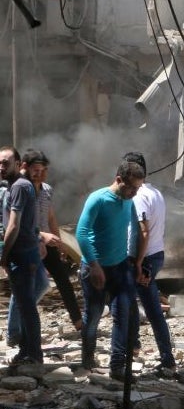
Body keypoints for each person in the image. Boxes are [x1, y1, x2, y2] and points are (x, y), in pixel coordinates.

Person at [76, 160, 144, 380]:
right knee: (93, 316)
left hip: (120, 266)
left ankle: (117, 366)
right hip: (94, 268)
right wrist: (94, 265)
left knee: (122, 314)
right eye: (131, 187)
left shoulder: (129, 202)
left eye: (138, 188)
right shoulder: (98, 199)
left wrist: (136, 260)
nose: (134, 193)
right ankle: (87, 358)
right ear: (118, 180)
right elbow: (82, 233)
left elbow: (136, 230)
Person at [8, 151, 82, 344]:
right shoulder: (20, 189)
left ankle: (79, 322)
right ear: (24, 167)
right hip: (28, 243)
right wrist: (42, 235)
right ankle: (16, 330)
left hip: (47, 242)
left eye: (42, 170)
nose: (39, 174)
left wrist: (59, 241)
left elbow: (50, 217)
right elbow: (18, 223)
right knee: (35, 285)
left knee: (63, 280)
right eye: (35, 170)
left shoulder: (47, 189)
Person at [123, 152, 176, 375]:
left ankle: (167, 359)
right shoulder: (155, 192)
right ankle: (134, 345)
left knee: (152, 309)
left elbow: (143, 232)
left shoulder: (139, 195)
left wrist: (138, 263)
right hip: (154, 255)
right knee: (133, 300)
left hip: (144, 258)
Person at [0, 146, 45, 365]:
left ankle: (34, 355)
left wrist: (3, 255)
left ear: (19, 165)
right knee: (25, 305)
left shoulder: (19, 186)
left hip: (22, 256)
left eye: (6, 162)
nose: (2, 167)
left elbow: (14, 225)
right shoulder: (18, 186)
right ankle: (27, 351)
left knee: (27, 307)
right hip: (26, 254)